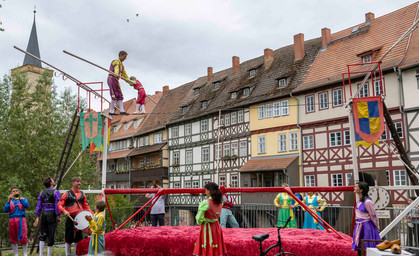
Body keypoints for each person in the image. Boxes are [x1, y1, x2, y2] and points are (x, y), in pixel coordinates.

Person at [57, 176, 93, 256]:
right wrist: (64, 211)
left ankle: (77, 253)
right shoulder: (67, 194)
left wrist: (92, 214)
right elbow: (59, 205)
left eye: (80, 181)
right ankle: (67, 254)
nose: (79, 183)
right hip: (70, 217)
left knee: (78, 237)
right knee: (68, 237)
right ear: (73, 183)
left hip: (80, 218)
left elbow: (86, 206)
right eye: (77, 181)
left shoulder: (82, 194)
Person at [193, 182, 227, 256]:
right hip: (216, 227)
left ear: (209, 191)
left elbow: (199, 219)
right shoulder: (220, 202)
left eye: (206, 190)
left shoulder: (205, 203)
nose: (205, 192)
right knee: (216, 249)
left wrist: (204, 221)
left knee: (206, 247)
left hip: (207, 228)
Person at [33, 178, 61, 256]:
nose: (54, 181)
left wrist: (38, 216)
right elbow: (57, 205)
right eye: (53, 180)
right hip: (52, 214)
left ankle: (41, 254)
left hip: (44, 214)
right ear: (51, 183)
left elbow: (39, 205)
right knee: (51, 234)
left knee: (42, 234)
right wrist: (59, 215)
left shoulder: (42, 192)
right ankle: (48, 254)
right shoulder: (56, 192)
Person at [351, 182, 380, 256]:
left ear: (361, 190)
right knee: (359, 246)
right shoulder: (358, 201)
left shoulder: (368, 202)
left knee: (367, 245)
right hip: (359, 225)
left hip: (366, 226)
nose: (354, 188)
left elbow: (373, 216)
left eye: (356, 187)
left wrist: (376, 227)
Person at [3, 187, 29, 256]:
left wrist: (20, 199)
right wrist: (8, 200)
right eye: (13, 191)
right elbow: (5, 210)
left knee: (23, 236)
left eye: (16, 191)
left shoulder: (23, 199)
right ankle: (16, 254)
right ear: (11, 193)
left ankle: (25, 253)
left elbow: (27, 205)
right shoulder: (9, 201)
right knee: (13, 236)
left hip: (21, 219)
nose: (15, 192)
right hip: (12, 220)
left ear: (18, 192)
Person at [108, 50, 130, 115]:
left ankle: (122, 110)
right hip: (112, 78)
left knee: (119, 94)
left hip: (116, 79)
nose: (125, 58)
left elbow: (124, 74)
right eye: (124, 56)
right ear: (120, 55)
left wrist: (129, 81)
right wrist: (117, 74)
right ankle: (111, 111)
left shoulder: (122, 66)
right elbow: (116, 69)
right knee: (114, 94)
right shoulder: (115, 62)